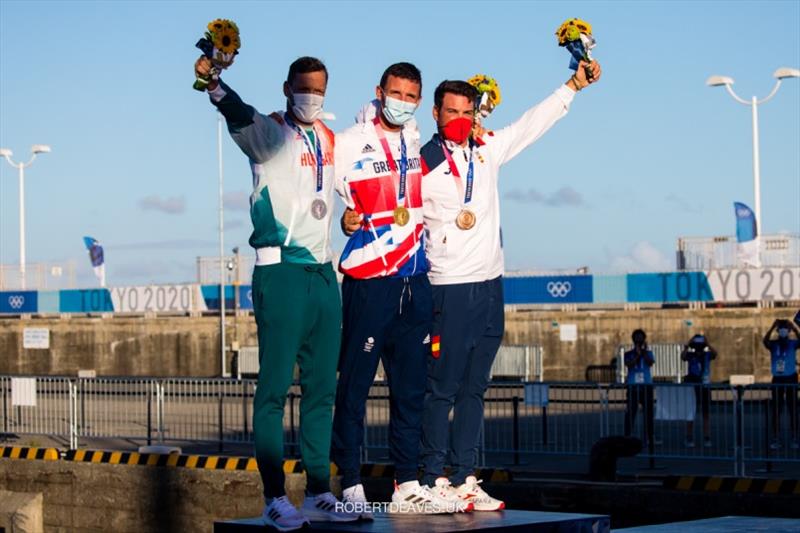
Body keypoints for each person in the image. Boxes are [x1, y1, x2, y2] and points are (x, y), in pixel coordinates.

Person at [417, 60, 601, 511]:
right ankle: (430, 477)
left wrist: (571, 87)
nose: (460, 119)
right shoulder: (421, 164)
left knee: (475, 388)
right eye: (451, 111)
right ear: (436, 114)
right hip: (448, 286)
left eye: (467, 111)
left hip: (489, 285)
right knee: (442, 388)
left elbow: (530, 124)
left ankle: (464, 477)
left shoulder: (487, 149)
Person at [194, 55, 356, 530]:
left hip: (325, 276)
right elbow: (237, 113)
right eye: (304, 88)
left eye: (320, 89)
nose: (312, 97)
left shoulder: (328, 137)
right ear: (287, 88)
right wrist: (215, 83)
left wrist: (346, 219)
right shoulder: (270, 133)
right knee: (273, 389)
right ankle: (272, 494)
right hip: (281, 272)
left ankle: (321, 489)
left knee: (323, 388)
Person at [332, 62, 463, 516]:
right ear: (379, 92)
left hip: (414, 279)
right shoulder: (348, 142)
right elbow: (315, 188)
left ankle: (407, 483)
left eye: (411, 96)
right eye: (395, 93)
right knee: (355, 388)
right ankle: (349, 483)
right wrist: (342, 218)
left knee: (410, 390)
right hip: (370, 282)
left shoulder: (413, 139)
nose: (402, 103)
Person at [763, 318, 800, 449]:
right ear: (779, 331)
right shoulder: (773, 344)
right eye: (781, 329)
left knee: (793, 409)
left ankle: (795, 437)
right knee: (777, 410)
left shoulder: (793, 343)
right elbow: (765, 341)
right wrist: (773, 327)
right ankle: (776, 437)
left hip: (791, 377)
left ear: (788, 331)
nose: (784, 331)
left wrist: (795, 328)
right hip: (777, 378)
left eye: (786, 329)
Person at [681, 334, 717, 447]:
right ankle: (689, 436)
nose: (698, 347)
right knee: (691, 412)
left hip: (704, 385)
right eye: (697, 345)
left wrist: (708, 344)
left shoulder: (707, 355)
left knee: (705, 413)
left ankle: (707, 436)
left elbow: (715, 354)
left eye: (700, 345)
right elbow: (683, 357)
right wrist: (688, 344)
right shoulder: (691, 355)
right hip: (693, 386)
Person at [623, 329, 655, 446]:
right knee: (631, 413)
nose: (639, 341)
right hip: (633, 387)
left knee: (648, 414)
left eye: (641, 338)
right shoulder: (628, 354)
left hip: (646, 386)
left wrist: (644, 352)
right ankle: (627, 437)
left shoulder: (648, 352)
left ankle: (649, 437)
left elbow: (650, 362)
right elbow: (629, 364)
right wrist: (637, 355)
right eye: (637, 339)